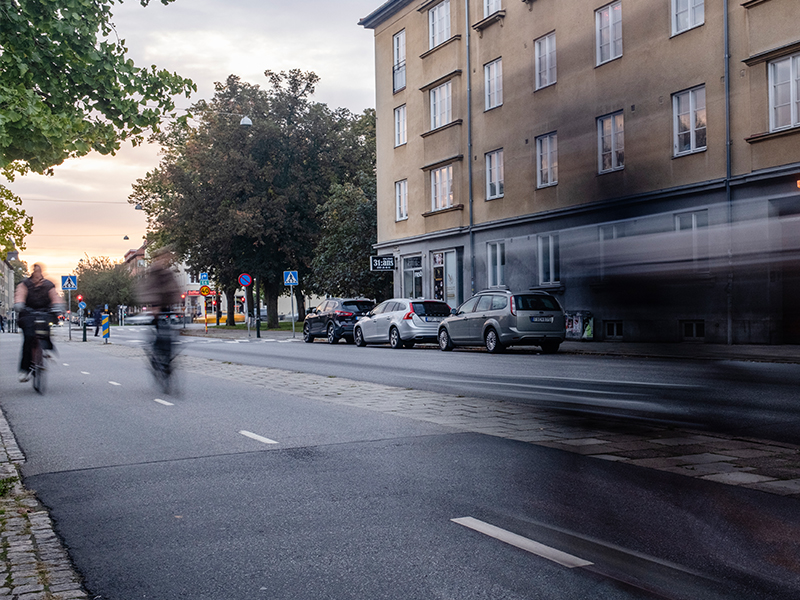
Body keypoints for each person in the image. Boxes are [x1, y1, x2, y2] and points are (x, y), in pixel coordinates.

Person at [14, 264, 63, 382]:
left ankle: (48, 350)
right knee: (29, 337)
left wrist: (57, 306)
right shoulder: (25, 284)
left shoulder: (48, 285)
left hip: (45, 311)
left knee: (46, 329)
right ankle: (25, 370)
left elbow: (54, 296)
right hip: (27, 312)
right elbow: (20, 294)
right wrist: (19, 304)